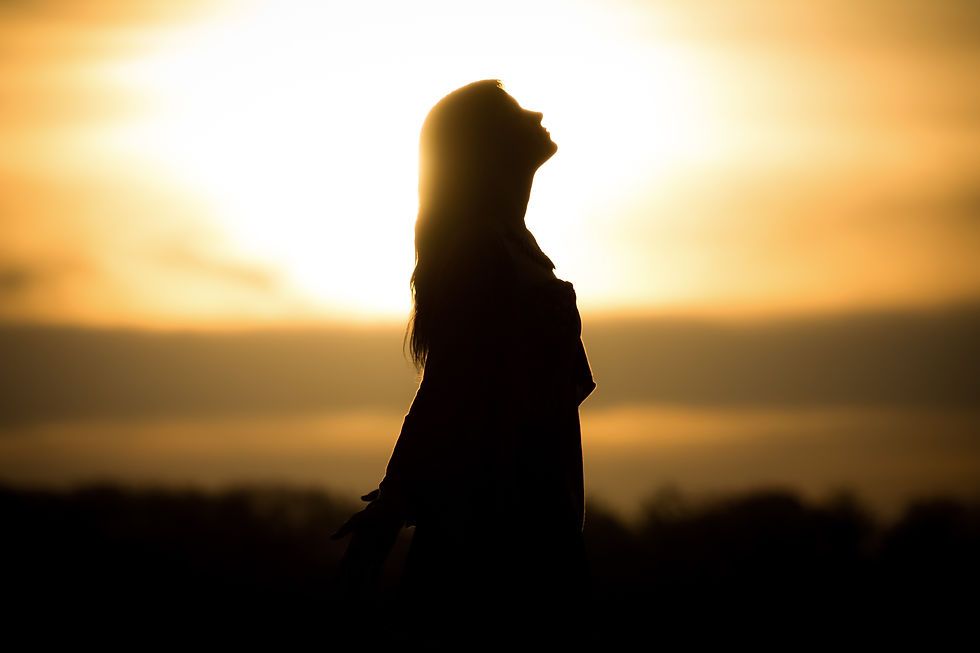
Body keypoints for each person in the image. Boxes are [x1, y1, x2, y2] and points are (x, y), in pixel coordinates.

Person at [332, 79, 596, 644]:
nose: (538, 110)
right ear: (486, 144)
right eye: (514, 109)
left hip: (531, 505)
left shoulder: (510, 243)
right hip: (496, 518)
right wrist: (396, 497)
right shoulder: (483, 248)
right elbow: (449, 385)